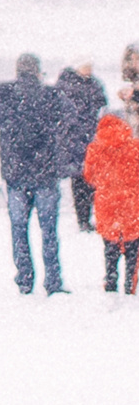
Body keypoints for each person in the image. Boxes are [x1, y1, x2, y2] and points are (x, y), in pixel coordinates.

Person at [0, 53, 68, 296]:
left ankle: (25, 278)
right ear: (38, 71)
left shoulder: (3, 92)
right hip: (45, 172)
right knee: (49, 230)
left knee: (19, 229)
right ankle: (53, 280)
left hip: (16, 173)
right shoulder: (50, 95)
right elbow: (66, 117)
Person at [82, 106, 139, 295]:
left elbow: (89, 176)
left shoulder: (95, 148)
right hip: (132, 202)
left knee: (110, 244)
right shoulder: (135, 146)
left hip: (107, 202)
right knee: (132, 244)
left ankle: (111, 280)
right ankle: (130, 284)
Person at [57, 61, 109, 233]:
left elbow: (102, 105)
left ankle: (89, 217)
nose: (89, 69)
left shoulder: (90, 84)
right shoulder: (69, 84)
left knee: (91, 179)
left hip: (89, 138)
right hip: (76, 139)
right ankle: (83, 219)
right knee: (80, 180)